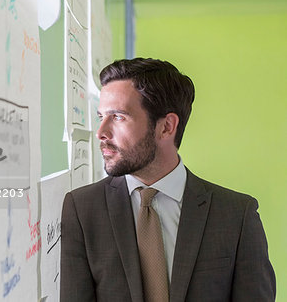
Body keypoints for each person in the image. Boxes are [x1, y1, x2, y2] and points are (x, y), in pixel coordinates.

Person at [60, 58, 276, 302]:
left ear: (166, 127)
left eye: (118, 117)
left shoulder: (236, 215)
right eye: (101, 116)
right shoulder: (82, 209)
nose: (101, 132)